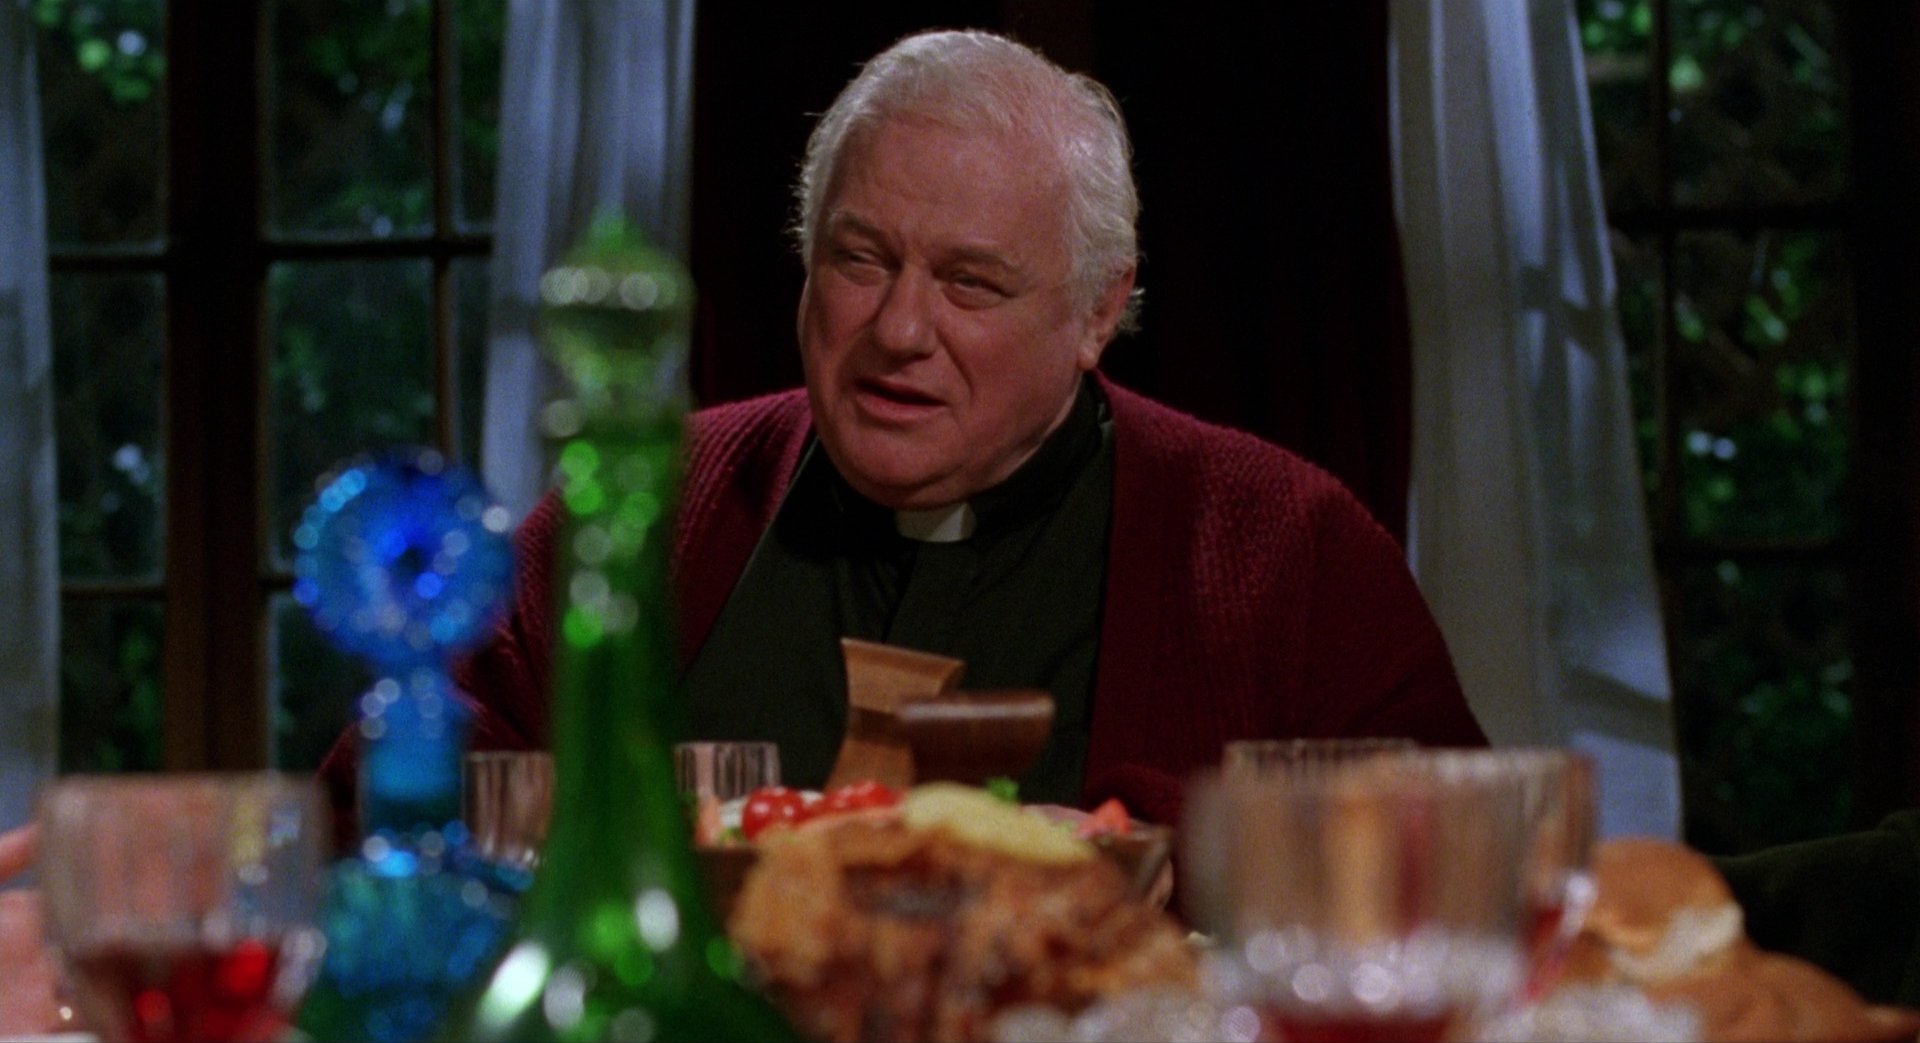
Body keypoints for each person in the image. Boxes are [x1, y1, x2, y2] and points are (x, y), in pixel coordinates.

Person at [315, 27, 1484, 836]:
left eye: (971, 283)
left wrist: (1160, 847)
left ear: (1097, 310)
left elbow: (1461, 869)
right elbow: (374, 821)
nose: (899, 329)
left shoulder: (1283, 549)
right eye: (860, 259)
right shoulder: (637, 512)